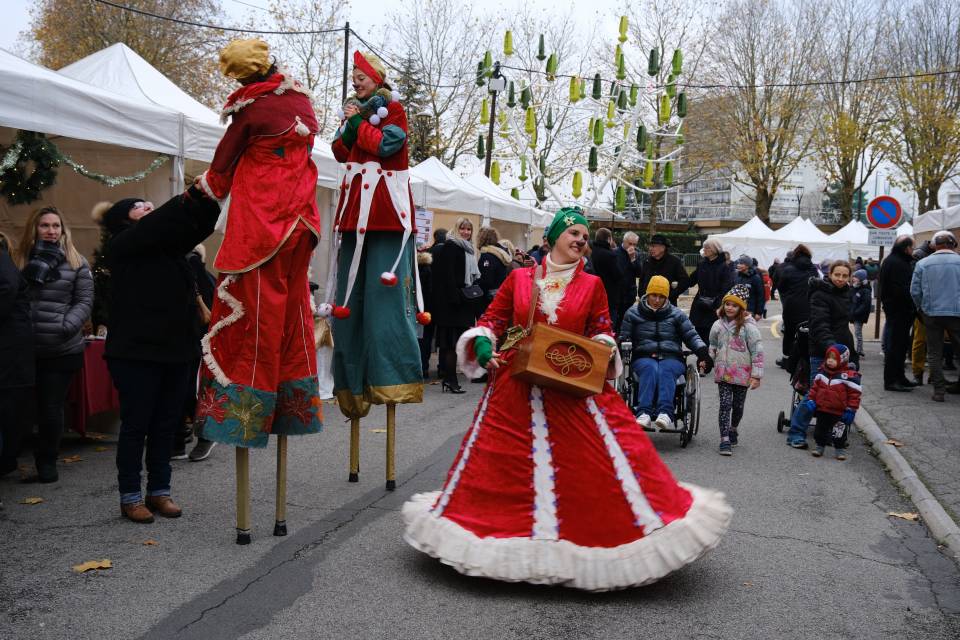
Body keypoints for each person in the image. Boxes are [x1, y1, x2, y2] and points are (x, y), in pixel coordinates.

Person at [401, 208, 731, 591]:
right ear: (553, 237)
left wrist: (604, 348)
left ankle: (588, 541)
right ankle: (512, 543)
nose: (580, 240)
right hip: (517, 385)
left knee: (594, 468)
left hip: (571, 385)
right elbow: (493, 318)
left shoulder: (592, 285)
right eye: (573, 232)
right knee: (504, 469)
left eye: (585, 236)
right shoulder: (520, 278)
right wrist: (481, 340)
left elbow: (602, 328)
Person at [194, 39, 324, 451]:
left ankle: (242, 420)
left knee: (255, 324)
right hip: (301, 222)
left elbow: (220, 170)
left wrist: (199, 194)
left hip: (263, 226)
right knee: (292, 318)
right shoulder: (301, 100)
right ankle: (290, 407)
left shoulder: (251, 111)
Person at [94, 187, 219, 522]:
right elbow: (159, 223)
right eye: (138, 205)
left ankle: (160, 491)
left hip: (176, 350)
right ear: (121, 219)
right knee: (137, 426)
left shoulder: (171, 247)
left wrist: (210, 198)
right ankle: (130, 495)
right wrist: (188, 196)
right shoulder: (123, 244)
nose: (147, 206)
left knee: (167, 424)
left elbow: (201, 226)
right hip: (135, 353)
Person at [327, 48, 425, 424]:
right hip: (354, 211)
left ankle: (392, 379)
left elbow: (388, 146)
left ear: (377, 78)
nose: (355, 79)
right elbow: (339, 151)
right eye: (353, 75)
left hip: (386, 211)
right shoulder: (355, 110)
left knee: (383, 301)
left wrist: (358, 124)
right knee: (348, 300)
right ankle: (350, 385)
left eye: (361, 74)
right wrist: (350, 126)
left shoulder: (393, 109)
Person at [14, 207, 93, 483]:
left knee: (50, 408)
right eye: (45, 225)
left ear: (63, 229)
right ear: (34, 229)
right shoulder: (18, 259)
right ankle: (11, 458)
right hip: (22, 347)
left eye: (56, 226)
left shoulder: (76, 261)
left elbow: (83, 301)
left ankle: (47, 461)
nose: (51, 231)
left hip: (61, 348)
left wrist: (65, 326)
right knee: (19, 406)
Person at [620, 276, 713, 430]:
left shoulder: (677, 314)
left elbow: (691, 335)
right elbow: (623, 336)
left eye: (661, 297)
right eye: (654, 295)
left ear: (666, 297)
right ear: (647, 294)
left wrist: (703, 352)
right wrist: (622, 344)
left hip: (672, 357)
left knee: (665, 369)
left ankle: (666, 413)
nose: (657, 300)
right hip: (644, 356)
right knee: (650, 369)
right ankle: (644, 413)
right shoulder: (633, 313)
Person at [787, 260, 858, 448]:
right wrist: (832, 349)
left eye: (845, 276)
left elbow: (843, 326)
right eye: (837, 275)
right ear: (830, 274)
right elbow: (820, 325)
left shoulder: (846, 293)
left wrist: (852, 353)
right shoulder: (820, 293)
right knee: (815, 394)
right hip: (821, 350)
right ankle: (795, 433)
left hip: (842, 351)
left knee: (840, 394)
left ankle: (831, 433)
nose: (841, 279)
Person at [708, 284, 763, 456]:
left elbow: (757, 351)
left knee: (737, 406)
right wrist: (709, 360)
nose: (730, 307)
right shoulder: (717, 325)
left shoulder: (749, 328)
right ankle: (724, 439)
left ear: (741, 308)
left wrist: (756, 375)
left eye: (734, 305)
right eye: (727, 304)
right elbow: (713, 345)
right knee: (725, 405)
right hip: (723, 373)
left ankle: (733, 428)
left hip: (742, 374)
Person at [0, 231, 35, 481]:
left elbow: (7, 287)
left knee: (9, 406)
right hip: (11, 347)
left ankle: (6, 459)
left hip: (10, 347)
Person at [431, 217, 480, 393]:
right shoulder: (452, 246)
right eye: (463, 229)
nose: (466, 232)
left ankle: (449, 379)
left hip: (461, 303)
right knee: (451, 345)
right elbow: (447, 277)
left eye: (469, 229)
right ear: (456, 229)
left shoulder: (468, 249)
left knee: (454, 344)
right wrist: (457, 299)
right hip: (453, 305)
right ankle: (450, 380)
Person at [911, 230, 960, 402]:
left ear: (934, 245)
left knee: (934, 352)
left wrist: (921, 308)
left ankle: (939, 391)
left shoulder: (923, 263)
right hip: (957, 313)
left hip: (931, 313)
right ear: (954, 245)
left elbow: (915, 291)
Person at [793, 344, 861, 460]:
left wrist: (851, 409)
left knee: (839, 432)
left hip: (839, 411)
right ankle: (819, 447)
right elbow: (814, 389)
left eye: (834, 359)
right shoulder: (822, 373)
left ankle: (839, 449)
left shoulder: (847, 376)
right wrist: (811, 400)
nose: (830, 361)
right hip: (822, 409)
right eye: (828, 357)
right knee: (820, 430)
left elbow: (855, 394)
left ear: (842, 359)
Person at [185, 245, 218, 462]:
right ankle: (179, 437)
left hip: (191, 336)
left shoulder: (191, 261)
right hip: (173, 335)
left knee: (187, 387)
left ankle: (204, 432)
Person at [878, 235, 917, 392]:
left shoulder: (894, 260)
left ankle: (900, 377)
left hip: (897, 310)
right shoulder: (897, 263)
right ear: (906, 248)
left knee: (901, 345)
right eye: (912, 248)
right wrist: (911, 305)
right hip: (899, 310)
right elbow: (900, 289)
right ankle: (892, 380)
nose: (913, 251)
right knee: (896, 346)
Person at [773, 244, 819, 368]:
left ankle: (786, 359)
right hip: (809, 306)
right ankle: (804, 358)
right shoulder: (813, 269)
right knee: (807, 333)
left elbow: (781, 287)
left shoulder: (788, 269)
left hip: (791, 306)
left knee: (789, 333)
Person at [688, 239, 734, 345]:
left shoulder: (724, 267)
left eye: (707, 247)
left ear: (715, 249)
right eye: (704, 247)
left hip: (715, 306)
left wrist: (719, 306)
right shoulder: (702, 264)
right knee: (699, 334)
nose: (705, 249)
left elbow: (726, 288)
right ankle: (702, 358)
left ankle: (711, 359)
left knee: (712, 335)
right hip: (700, 304)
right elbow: (691, 280)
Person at [638, 233, 688, 310]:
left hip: (668, 305)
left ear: (662, 248)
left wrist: (671, 295)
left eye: (653, 246)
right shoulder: (647, 261)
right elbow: (642, 281)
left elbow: (685, 281)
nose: (650, 249)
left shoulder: (674, 262)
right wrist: (642, 296)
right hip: (647, 305)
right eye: (650, 246)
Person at [589, 227, 622, 329]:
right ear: (608, 239)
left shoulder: (590, 252)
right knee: (607, 324)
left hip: (592, 294)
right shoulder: (610, 255)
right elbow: (618, 275)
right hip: (608, 296)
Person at [476, 226, 512, 314]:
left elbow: (486, 280)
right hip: (499, 295)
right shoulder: (500, 254)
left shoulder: (487, 256)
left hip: (488, 299)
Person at [614, 231, 643, 329]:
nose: (632, 246)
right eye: (630, 243)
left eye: (634, 244)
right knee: (615, 320)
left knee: (626, 319)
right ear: (624, 241)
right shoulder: (614, 253)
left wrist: (633, 259)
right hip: (617, 292)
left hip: (629, 293)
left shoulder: (637, 254)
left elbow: (639, 273)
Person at [416, 247, 434, 379]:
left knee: (419, 339)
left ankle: (421, 367)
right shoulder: (428, 268)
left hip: (418, 309)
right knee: (424, 340)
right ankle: (423, 367)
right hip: (425, 310)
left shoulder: (417, 269)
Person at [734, 255, 765, 320]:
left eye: (741, 264)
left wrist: (759, 313)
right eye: (738, 263)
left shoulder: (755, 278)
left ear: (748, 265)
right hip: (737, 309)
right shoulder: (737, 276)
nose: (738, 265)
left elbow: (760, 296)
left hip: (749, 310)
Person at [850, 268, 872, 358]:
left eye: (856, 277)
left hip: (859, 315)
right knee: (857, 333)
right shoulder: (854, 288)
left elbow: (865, 304)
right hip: (854, 314)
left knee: (858, 333)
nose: (853, 278)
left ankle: (859, 351)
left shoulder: (865, 290)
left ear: (861, 279)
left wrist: (855, 312)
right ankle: (859, 350)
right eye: (854, 277)